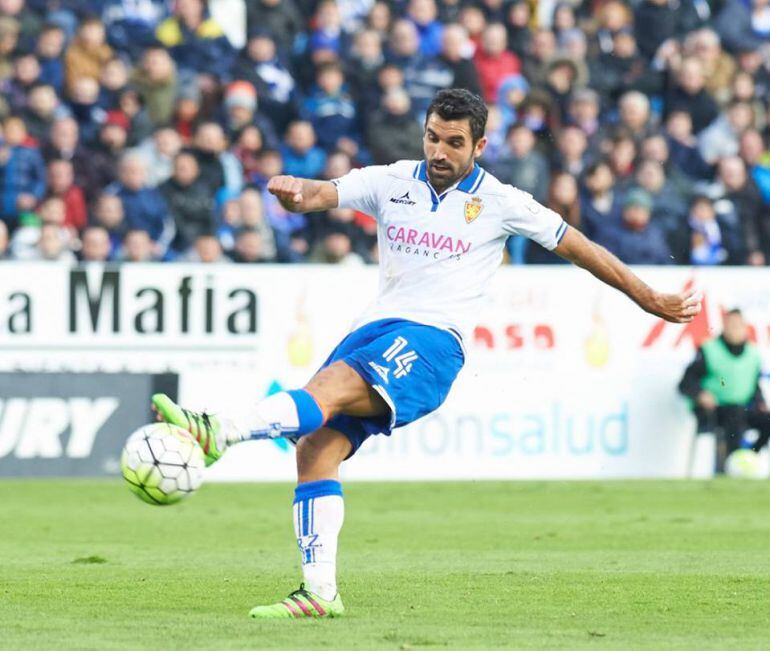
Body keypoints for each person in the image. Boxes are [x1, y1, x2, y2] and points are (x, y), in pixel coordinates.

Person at [151, 89, 700, 619]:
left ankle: (216, 431)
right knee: (316, 447)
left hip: (434, 341)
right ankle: (319, 593)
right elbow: (324, 193)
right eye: (433, 137)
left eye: (454, 142)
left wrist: (649, 297)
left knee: (328, 391)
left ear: (479, 146)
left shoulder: (502, 202)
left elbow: (579, 247)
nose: (439, 151)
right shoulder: (392, 181)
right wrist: (297, 191)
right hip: (374, 329)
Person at [679, 309, 770, 472]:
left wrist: (760, 402)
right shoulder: (709, 350)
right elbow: (686, 382)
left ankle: (748, 457)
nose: (735, 329)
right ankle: (729, 466)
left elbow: (753, 385)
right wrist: (700, 394)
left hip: (743, 408)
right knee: (734, 414)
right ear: (724, 326)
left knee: (766, 419)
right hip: (713, 410)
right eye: (731, 325)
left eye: (738, 325)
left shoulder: (753, 354)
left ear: (745, 328)